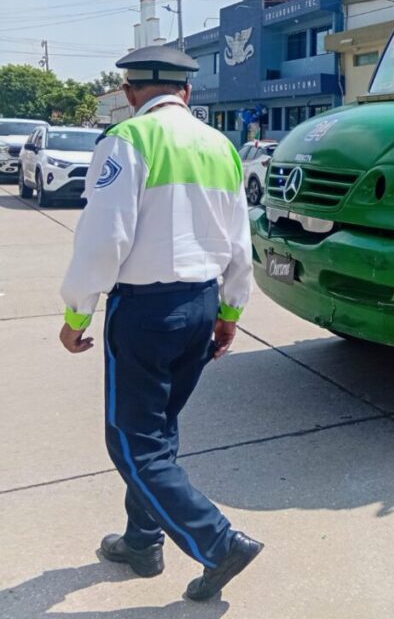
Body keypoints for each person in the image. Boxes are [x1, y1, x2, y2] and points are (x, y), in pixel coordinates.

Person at [58, 45, 263, 601]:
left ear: (129, 94)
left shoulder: (126, 142)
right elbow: (239, 240)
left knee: (132, 442)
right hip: (200, 306)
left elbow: (103, 241)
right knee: (158, 431)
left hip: (146, 311)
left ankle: (218, 543)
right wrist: (229, 312)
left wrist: (77, 313)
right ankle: (142, 540)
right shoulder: (221, 146)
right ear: (188, 92)